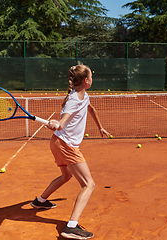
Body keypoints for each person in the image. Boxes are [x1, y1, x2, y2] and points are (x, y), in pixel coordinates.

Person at [30, 64, 110, 239]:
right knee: (89, 184)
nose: (92, 79)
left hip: (58, 142)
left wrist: (100, 127)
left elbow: (91, 109)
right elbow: (63, 121)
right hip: (66, 144)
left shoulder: (84, 95)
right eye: (91, 76)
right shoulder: (74, 99)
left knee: (66, 176)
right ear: (86, 80)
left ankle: (40, 201)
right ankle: (71, 227)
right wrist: (57, 124)